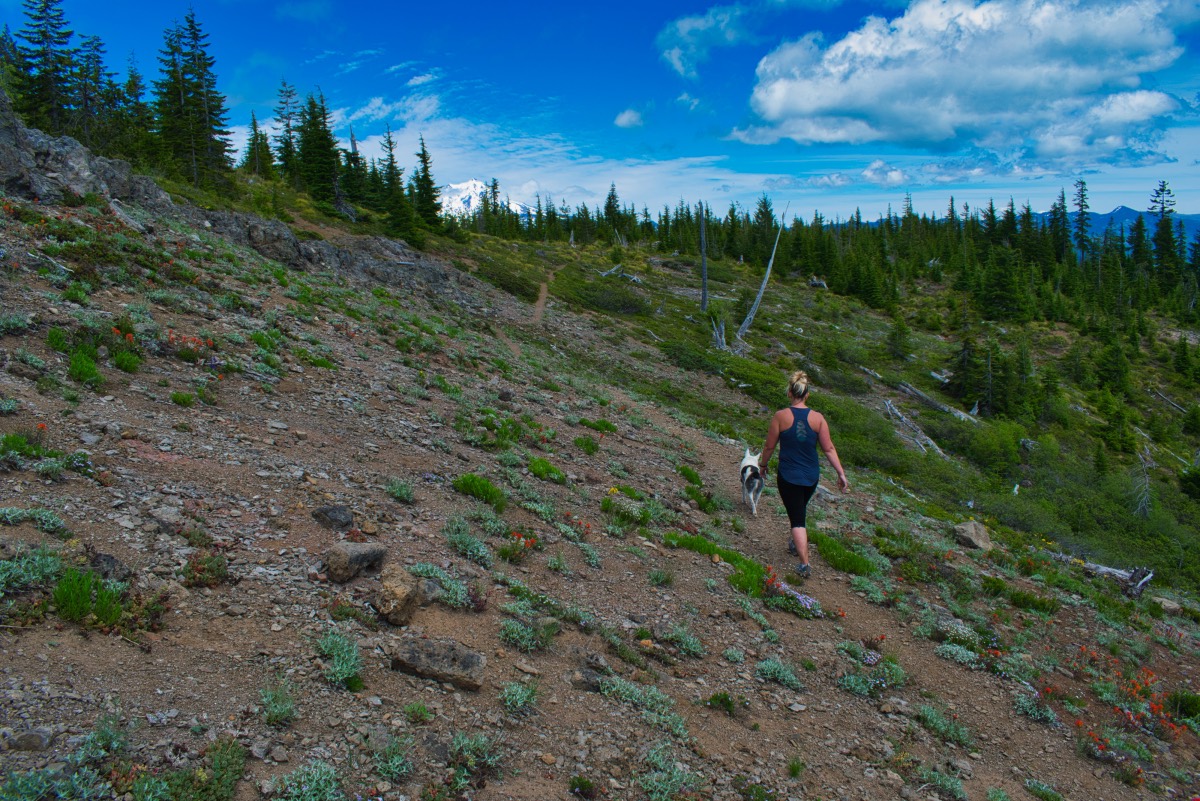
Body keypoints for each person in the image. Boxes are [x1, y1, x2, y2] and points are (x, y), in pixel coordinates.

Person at [758, 370, 848, 577]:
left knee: (797, 518)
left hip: (788, 476)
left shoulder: (780, 416)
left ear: (790, 393)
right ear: (807, 394)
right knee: (798, 509)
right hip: (811, 477)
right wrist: (841, 473)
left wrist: (763, 465)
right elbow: (829, 449)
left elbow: (770, 446)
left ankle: (805, 564)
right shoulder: (818, 419)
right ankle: (795, 542)